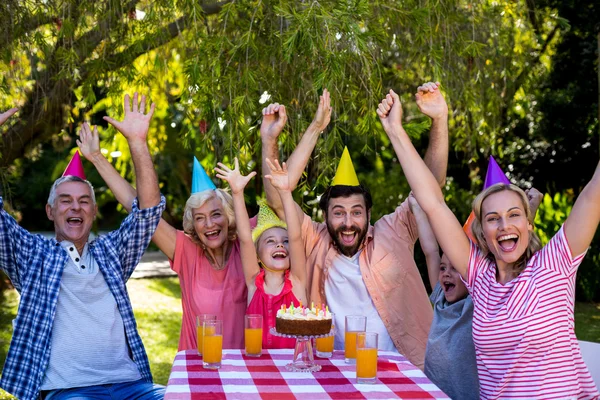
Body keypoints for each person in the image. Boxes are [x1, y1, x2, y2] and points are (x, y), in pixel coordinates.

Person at [376, 88, 600, 399]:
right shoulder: (479, 276)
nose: (505, 225)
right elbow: (433, 203)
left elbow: (593, 193)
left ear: (527, 222)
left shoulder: (555, 264)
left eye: (513, 215)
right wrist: (395, 130)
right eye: (493, 218)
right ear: (483, 232)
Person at [261, 83, 449, 368]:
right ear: (324, 215)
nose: (348, 223)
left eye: (356, 212)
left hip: (404, 368)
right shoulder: (314, 239)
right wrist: (276, 138)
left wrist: (439, 121)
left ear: (369, 213)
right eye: (338, 212)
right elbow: (277, 196)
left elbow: (431, 189)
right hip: (335, 371)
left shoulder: (394, 230)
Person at [0, 94, 166, 400]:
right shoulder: (33, 253)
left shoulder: (111, 253)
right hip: (69, 391)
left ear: (92, 212)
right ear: (50, 211)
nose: (75, 207)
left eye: (83, 201)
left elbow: (148, 212)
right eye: (65, 201)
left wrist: (138, 143)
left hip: (132, 386)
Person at [78, 118, 253, 351]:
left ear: (230, 215)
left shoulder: (247, 243)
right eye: (200, 218)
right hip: (198, 370)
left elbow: (278, 206)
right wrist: (98, 158)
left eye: (216, 214)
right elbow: (139, 209)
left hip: (243, 370)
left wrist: (269, 137)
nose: (209, 224)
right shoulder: (187, 250)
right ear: (193, 224)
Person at [409, 187, 543, 400]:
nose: (446, 274)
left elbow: (511, 258)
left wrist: (530, 211)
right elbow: (431, 251)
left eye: (456, 269)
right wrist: (417, 208)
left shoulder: (479, 301)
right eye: (443, 268)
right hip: (433, 394)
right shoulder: (440, 297)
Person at [216, 158, 308, 348]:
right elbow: (245, 239)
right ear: (257, 255)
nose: (280, 245)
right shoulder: (253, 284)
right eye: (270, 241)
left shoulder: (297, 282)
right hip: (257, 369)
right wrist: (237, 193)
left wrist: (285, 193)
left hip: (294, 371)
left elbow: (297, 236)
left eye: (285, 241)